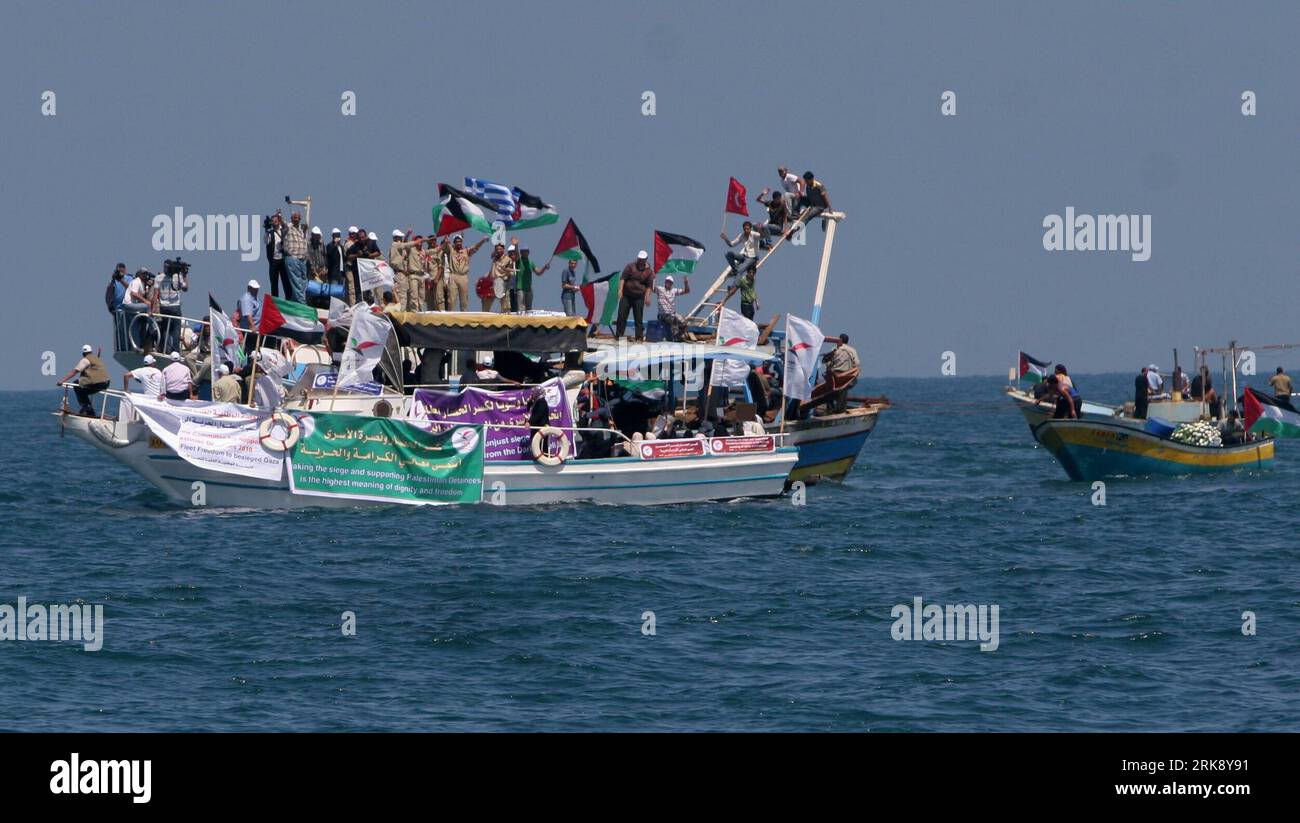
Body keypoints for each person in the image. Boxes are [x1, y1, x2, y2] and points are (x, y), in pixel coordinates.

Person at [59, 344, 111, 416]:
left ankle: (86, 407)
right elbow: (95, 369)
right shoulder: (96, 358)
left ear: (83, 353)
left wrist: (62, 381)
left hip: (97, 382)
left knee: (76, 384)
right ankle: (89, 411)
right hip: (106, 383)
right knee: (83, 391)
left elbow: (75, 371)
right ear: (91, 352)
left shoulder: (85, 360)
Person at [615, 251, 654, 341]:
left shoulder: (649, 272)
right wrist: (620, 290)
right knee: (621, 315)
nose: (640, 261)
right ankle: (619, 336)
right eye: (639, 259)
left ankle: (639, 337)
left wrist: (647, 297)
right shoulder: (630, 266)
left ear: (646, 259)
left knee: (638, 318)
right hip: (627, 296)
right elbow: (623, 278)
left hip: (639, 297)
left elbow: (649, 286)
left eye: (642, 259)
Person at [444, 234, 485, 311]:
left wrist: (482, 240)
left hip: (463, 276)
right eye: (456, 241)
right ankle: (451, 317)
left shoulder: (466, 251)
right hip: (453, 275)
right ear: (454, 243)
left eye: (460, 241)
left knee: (464, 299)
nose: (458, 243)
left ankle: (464, 315)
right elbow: (447, 242)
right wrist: (446, 235)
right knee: (451, 299)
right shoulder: (451, 251)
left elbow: (476, 247)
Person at [281, 211, 310, 303]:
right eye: (294, 218)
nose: (296, 220)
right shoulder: (288, 227)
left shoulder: (301, 229)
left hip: (302, 259)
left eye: (298, 218)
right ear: (291, 219)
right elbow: (283, 224)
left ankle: (295, 300)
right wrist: (279, 215)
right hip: (292, 257)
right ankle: (301, 302)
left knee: (303, 280)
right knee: (296, 280)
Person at [654, 274, 691, 340]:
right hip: (663, 314)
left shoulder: (674, 291)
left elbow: (687, 291)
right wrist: (653, 278)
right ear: (665, 282)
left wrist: (686, 282)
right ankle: (676, 338)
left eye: (670, 282)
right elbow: (652, 288)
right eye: (667, 281)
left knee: (685, 323)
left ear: (672, 283)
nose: (668, 283)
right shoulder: (660, 289)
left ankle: (681, 335)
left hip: (672, 313)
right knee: (674, 320)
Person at [264, 212, 289, 299]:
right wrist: (266, 229)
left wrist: (280, 216)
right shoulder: (270, 233)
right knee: (274, 283)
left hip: (282, 259)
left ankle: (288, 299)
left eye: (275, 221)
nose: (274, 223)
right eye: (273, 221)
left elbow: (286, 228)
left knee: (286, 281)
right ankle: (275, 300)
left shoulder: (283, 231)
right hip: (274, 260)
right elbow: (266, 241)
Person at [325, 228, 349, 304]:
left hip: (341, 273)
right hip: (333, 274)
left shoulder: (341, 247)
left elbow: (344, 259)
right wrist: (335, 244)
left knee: (340, 292)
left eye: (338, 235)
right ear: (333, 236)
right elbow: (330, 254)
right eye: (336, 235)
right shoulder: (330, 245)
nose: (338, 237)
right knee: (334, 292)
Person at [514, 247, 539, 312]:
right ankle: (520, 321)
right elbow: (516, 254)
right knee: (521, 308)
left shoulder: (531, 263)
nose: (525, 252)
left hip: (529, 289)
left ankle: (528, 322)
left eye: (526, 251)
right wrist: (516, 245)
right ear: (521, 252)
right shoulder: (519, 261)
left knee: (529, 309)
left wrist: (545, 268)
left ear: (528, 252)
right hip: (520, 288)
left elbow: (538, 272)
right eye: (523, 251)